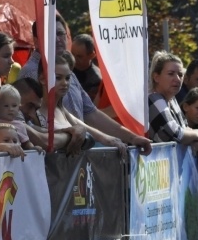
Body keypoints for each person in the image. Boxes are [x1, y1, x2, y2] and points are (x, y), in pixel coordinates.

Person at [18, 16, 152, 157]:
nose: (57, 39)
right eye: (50, 34)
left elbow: (90, 113)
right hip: (51, 161)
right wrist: (72, 134)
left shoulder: (66, 70)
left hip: (76, 160)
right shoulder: (31, 74)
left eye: (61, 33)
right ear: (36, 40)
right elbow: (28, 127)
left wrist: (131, 138)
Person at [147, 51, 198, 155]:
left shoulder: (172, 100)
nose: (177, 79)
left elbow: (185, 128)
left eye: (180, 75)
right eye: (171, 74)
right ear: (156, 77)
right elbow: (176, 134)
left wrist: (194, 139)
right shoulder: (153, 98)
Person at [13, 77, 84, 152]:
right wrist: (72, 137)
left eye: (36, 109)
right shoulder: (9, 116)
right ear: (13, 97)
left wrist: (73, 130)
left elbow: (43, 131)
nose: (32, 115)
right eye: (30, 106)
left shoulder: (21, 119)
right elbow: (46, 142)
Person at [0, 84, 43, 152]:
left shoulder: (20, 125)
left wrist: (33, 148)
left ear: (19, 108)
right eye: (6, 106)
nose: (10, 109)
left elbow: (26, 143)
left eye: (14, 106)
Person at [70, 34, 102, 101]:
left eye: (79, 56)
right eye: (72, 54)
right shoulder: (64, 70)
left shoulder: (97, 80)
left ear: (92, 55)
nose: (73, 59)